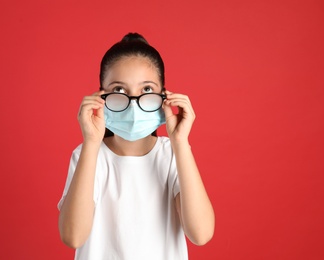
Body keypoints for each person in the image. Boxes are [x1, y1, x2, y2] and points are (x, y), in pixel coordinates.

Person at [58, 32, 215, 260]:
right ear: (100, 96)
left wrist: (180, 142)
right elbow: (73, 236)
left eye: (147, 90)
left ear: (165, 96)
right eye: (119, 90)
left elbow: (200, 233)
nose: (133, 103)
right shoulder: (88, 155)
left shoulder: (172, 155)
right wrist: (91, 142)